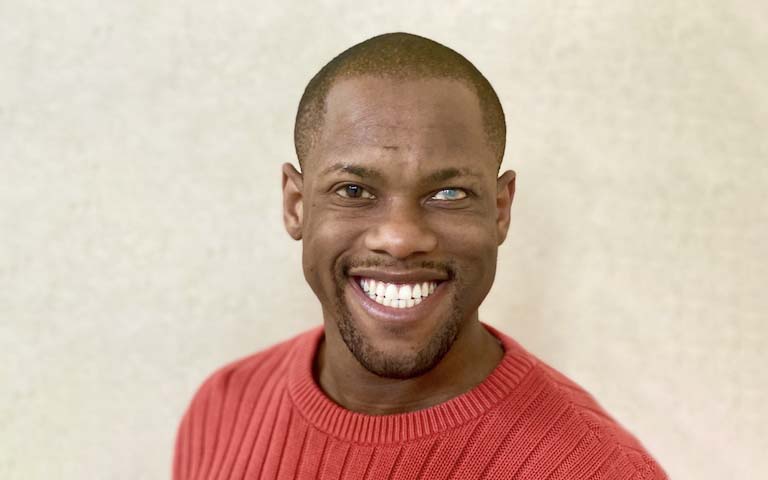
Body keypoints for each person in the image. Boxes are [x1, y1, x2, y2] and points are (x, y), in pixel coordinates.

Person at [173, 32, 667, 479]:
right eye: (353, 190)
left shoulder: (597, 469)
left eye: (449, 194)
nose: (400, 238)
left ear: (500, 210)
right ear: (296, 205)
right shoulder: (222, 408)